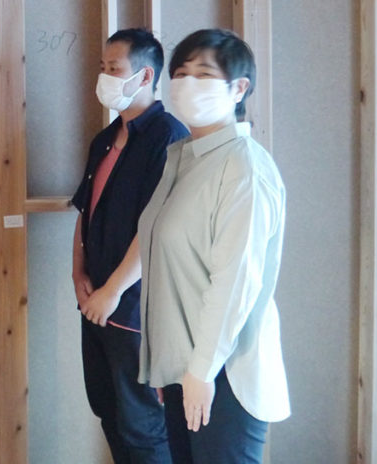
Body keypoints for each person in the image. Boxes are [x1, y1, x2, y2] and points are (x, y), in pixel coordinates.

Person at [137, 29, 290, 464]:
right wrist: (174, 368)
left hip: (223, 372)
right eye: (180, 73)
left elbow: (235, 280)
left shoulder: (243, 167)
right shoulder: (185, 158)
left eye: (203, 74)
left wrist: (201, 371)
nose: (187, 83)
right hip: (185, 369)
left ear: (238, 88)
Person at [73, 28, 188, 464]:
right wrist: (79, 274)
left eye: (114, 68)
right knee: (108, 411)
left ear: (145, 76)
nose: (105, 76)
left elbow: (156, 226)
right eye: (103, 67)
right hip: (94, 304)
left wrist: (113, 290)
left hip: (136, 311)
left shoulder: (168, 138)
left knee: (142, 425)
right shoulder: (104, 140)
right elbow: (86, 211)